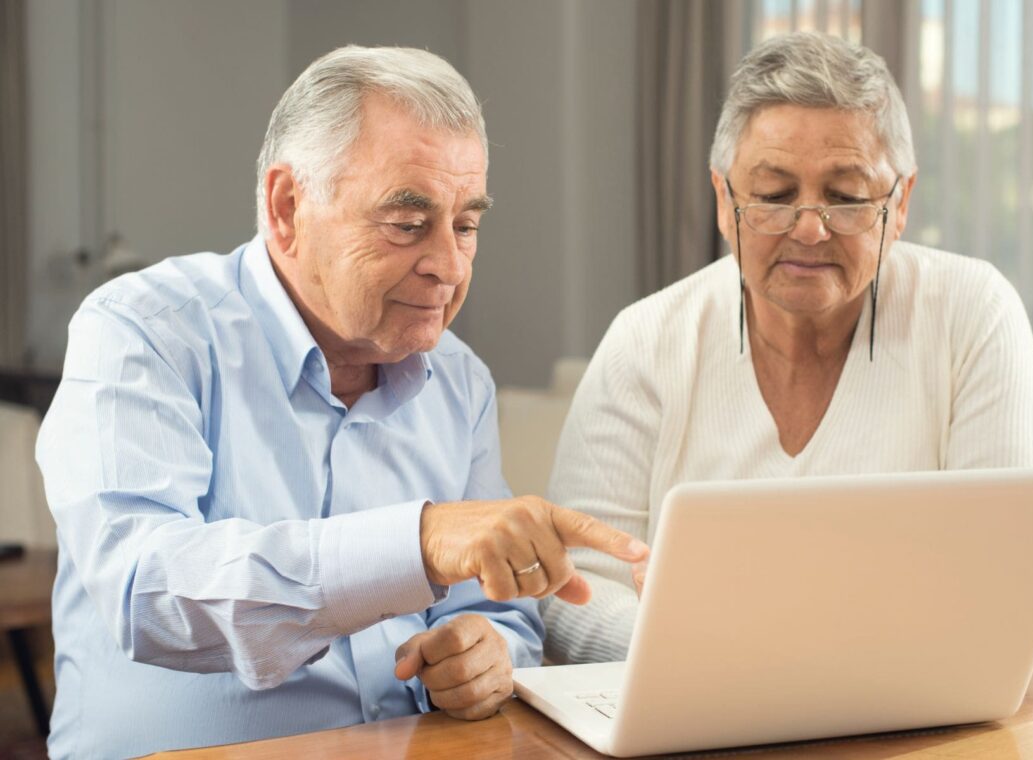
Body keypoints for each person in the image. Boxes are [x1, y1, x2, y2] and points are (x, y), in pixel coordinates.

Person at [36, 45, 648, 758]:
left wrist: (487, 654)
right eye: (407, 223)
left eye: (466, 225)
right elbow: (147, 592)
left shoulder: (459, 378)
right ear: (288, 207)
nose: (450, 266)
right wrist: (415, 542)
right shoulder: (143, 331)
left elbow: (496, 613)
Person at [540, 31, 1033, 665]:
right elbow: (575, 589)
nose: (809, 228)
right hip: (701, 703)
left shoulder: (975, 314)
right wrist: (722, 659)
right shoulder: (644, 341)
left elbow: (1008, 578)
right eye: (774, 195)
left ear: (900, 204)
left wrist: (754, 647)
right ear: (723, 200)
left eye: (846, 197)